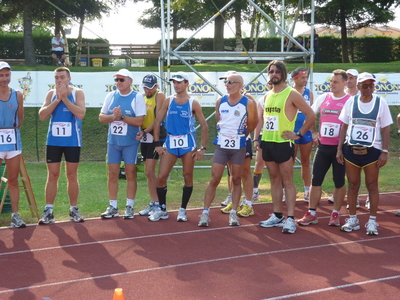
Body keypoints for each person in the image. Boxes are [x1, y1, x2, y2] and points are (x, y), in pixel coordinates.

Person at [253, 60, 316, 234]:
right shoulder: (267, 96)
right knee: (274, 179)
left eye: (277, 72)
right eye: (271, 71)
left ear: (284, 74)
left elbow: (311, 114)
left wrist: (299, 134)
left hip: (284, 143)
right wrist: (257, 139)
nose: (274, 74)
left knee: (287, 180)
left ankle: (290, 219)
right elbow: (262, 120)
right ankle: (277, 214)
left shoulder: (292, 93)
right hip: (268, 142)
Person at [198, 72, 257, 227]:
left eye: (231, 82)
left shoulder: (248, 102)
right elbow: (220, 121)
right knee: (214, 178)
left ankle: (233, 214)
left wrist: (243, 134)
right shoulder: (220, 101)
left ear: (240, 85)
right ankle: (205, 213)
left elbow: (253, 122)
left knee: (237, 178)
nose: (227, 85)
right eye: (226, 82)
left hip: (239, 145)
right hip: (222, 145)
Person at [337, 72, 392, 236]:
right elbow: (344, 126)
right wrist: (339, 149)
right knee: (353, 185)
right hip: (351, 150)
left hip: (372, 152)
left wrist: (385, 151)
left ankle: (372, 221)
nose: (369, 88)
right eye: (365, 85)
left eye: (371, 85)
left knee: (372, 185)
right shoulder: (351, 102)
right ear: (358, 86)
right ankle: (352, 219)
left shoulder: (380, 102)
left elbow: (386, 128)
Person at [152, 71, 208, 222]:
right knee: (161, 176)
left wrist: (202, 148)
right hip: (171, 142)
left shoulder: (193, 102)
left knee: (188, 176)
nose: (176, 85)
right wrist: (157, 144)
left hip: (187, 144)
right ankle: (162, 209)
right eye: (174, 83)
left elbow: (204, 126)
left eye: (179, 82)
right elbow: (157, 122)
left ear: (186, 83)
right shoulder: (169, 101)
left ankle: (182, 210)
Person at [297, 69, 350, 227]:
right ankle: (312, 212)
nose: (331, 84)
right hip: (323, 147)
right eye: (331, 81)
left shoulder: (350, 100)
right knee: (316, 180)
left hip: (340, 149)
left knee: (339, 181)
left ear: (344, 83)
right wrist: (313, 133)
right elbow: (310, 114)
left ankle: (335, 213)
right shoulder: (323, 98)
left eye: (335, 82)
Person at [38, 67, 86, 224]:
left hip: (72, 141)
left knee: (71, 175)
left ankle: (73, 210)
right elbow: (43, 115)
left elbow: (80, 113)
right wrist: (58, 99)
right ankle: (48, 211)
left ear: (69, 79)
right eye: (56, 78)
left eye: (62, 77)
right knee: (52, 175)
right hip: (54, 141)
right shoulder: (51, 94)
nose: (59, 80)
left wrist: (65, 98)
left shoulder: (77, 93)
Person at [99, 69, 146, 220]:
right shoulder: (111, 96)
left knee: (130, 174)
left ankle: (130, 206)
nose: (118, 83)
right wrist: (114, 116)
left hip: (130, 143)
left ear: (130, 81)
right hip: (113, 142)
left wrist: (122, 117)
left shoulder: (136, 97)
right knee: (112, 174)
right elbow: (101, 117)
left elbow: (139, 121)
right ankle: (113, 206)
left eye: (121, 80)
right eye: (117, 80)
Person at [135, 74, 166, 216]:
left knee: (149, 171)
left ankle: (157, 203)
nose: (147, 90)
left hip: (156, 137)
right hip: (145, 137)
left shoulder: (159, 96)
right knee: (149, 173)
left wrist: (145, 131)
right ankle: (154, 203)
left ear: (156, 86)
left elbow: (158, 120)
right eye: (145, 87)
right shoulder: (141, 96)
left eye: (150, 87)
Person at [0, 61, 26, 228]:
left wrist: (11, 130)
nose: (4, 78)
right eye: (1, 75)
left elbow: (20, 119)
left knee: (13, 180)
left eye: (7, 75)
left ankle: (15, 216)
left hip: (13, 141)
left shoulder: (17, 94)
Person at [291, 67, 317, 203]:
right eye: (302, 77)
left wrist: (313, 132)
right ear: (295, 78)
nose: (305, 80)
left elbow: (311, 114)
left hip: (305, 131)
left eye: (306, 77)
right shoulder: (289, 92)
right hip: (291, 132)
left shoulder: (309, 93)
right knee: (289, 162)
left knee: (306, 161)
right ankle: (287, 191)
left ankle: (307, 190)